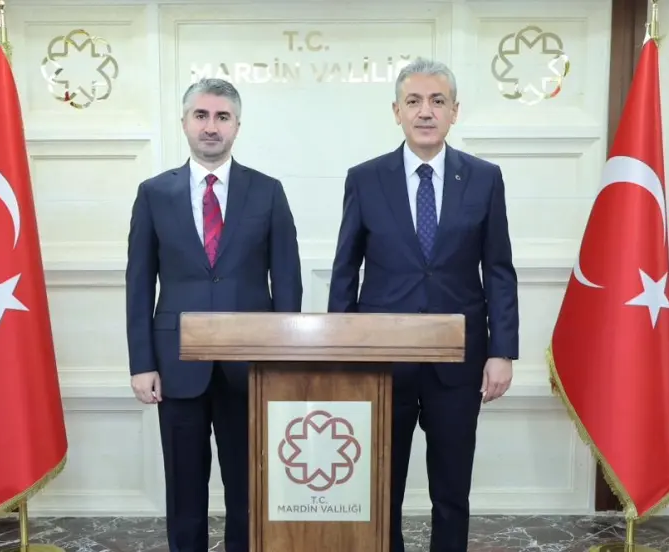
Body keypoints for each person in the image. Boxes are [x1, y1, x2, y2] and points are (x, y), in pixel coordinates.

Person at [327, 57, 519, 552]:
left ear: (455, 111)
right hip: (381, 363)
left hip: (459, 362)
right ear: (397, 111)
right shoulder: (365, 179)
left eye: (437, 101)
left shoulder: (484, 178)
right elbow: (345, 269)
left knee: (451, 492)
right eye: (413, 101)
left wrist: (502, 351)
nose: (425, 111)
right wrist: (339, 351)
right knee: (380, 490)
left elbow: (498, 270)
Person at [125, 77, 303, 552]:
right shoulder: (153, 193)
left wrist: (284, 361)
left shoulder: (267, 192)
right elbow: (139, 284)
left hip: (251, 365)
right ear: (184, 122)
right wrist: (142, 363)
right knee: (184, 488)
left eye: (222, 117)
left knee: (249, 490)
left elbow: (287, 283)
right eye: (201, 115)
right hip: (176, 364)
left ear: (237, 126)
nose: (211, 126)